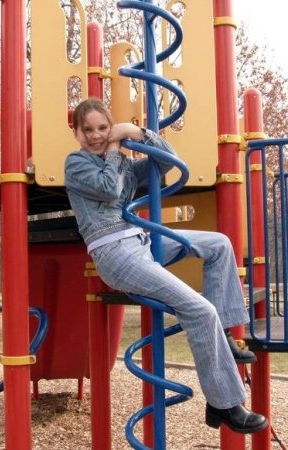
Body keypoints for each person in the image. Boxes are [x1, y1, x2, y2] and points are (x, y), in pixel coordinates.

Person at [65, 97, 268, 434]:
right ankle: (224, 404)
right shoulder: (76, 163)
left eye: (104, 128)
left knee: (219, 244)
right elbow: (109, 187)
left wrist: (142, 133)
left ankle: (228, 335)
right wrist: (117, 144)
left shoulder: (124, 165)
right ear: (77, 133)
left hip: (141, 240)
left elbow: (167, 163)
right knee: (199, 310)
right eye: (88, 130)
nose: (97, 135)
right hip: (115, 253)